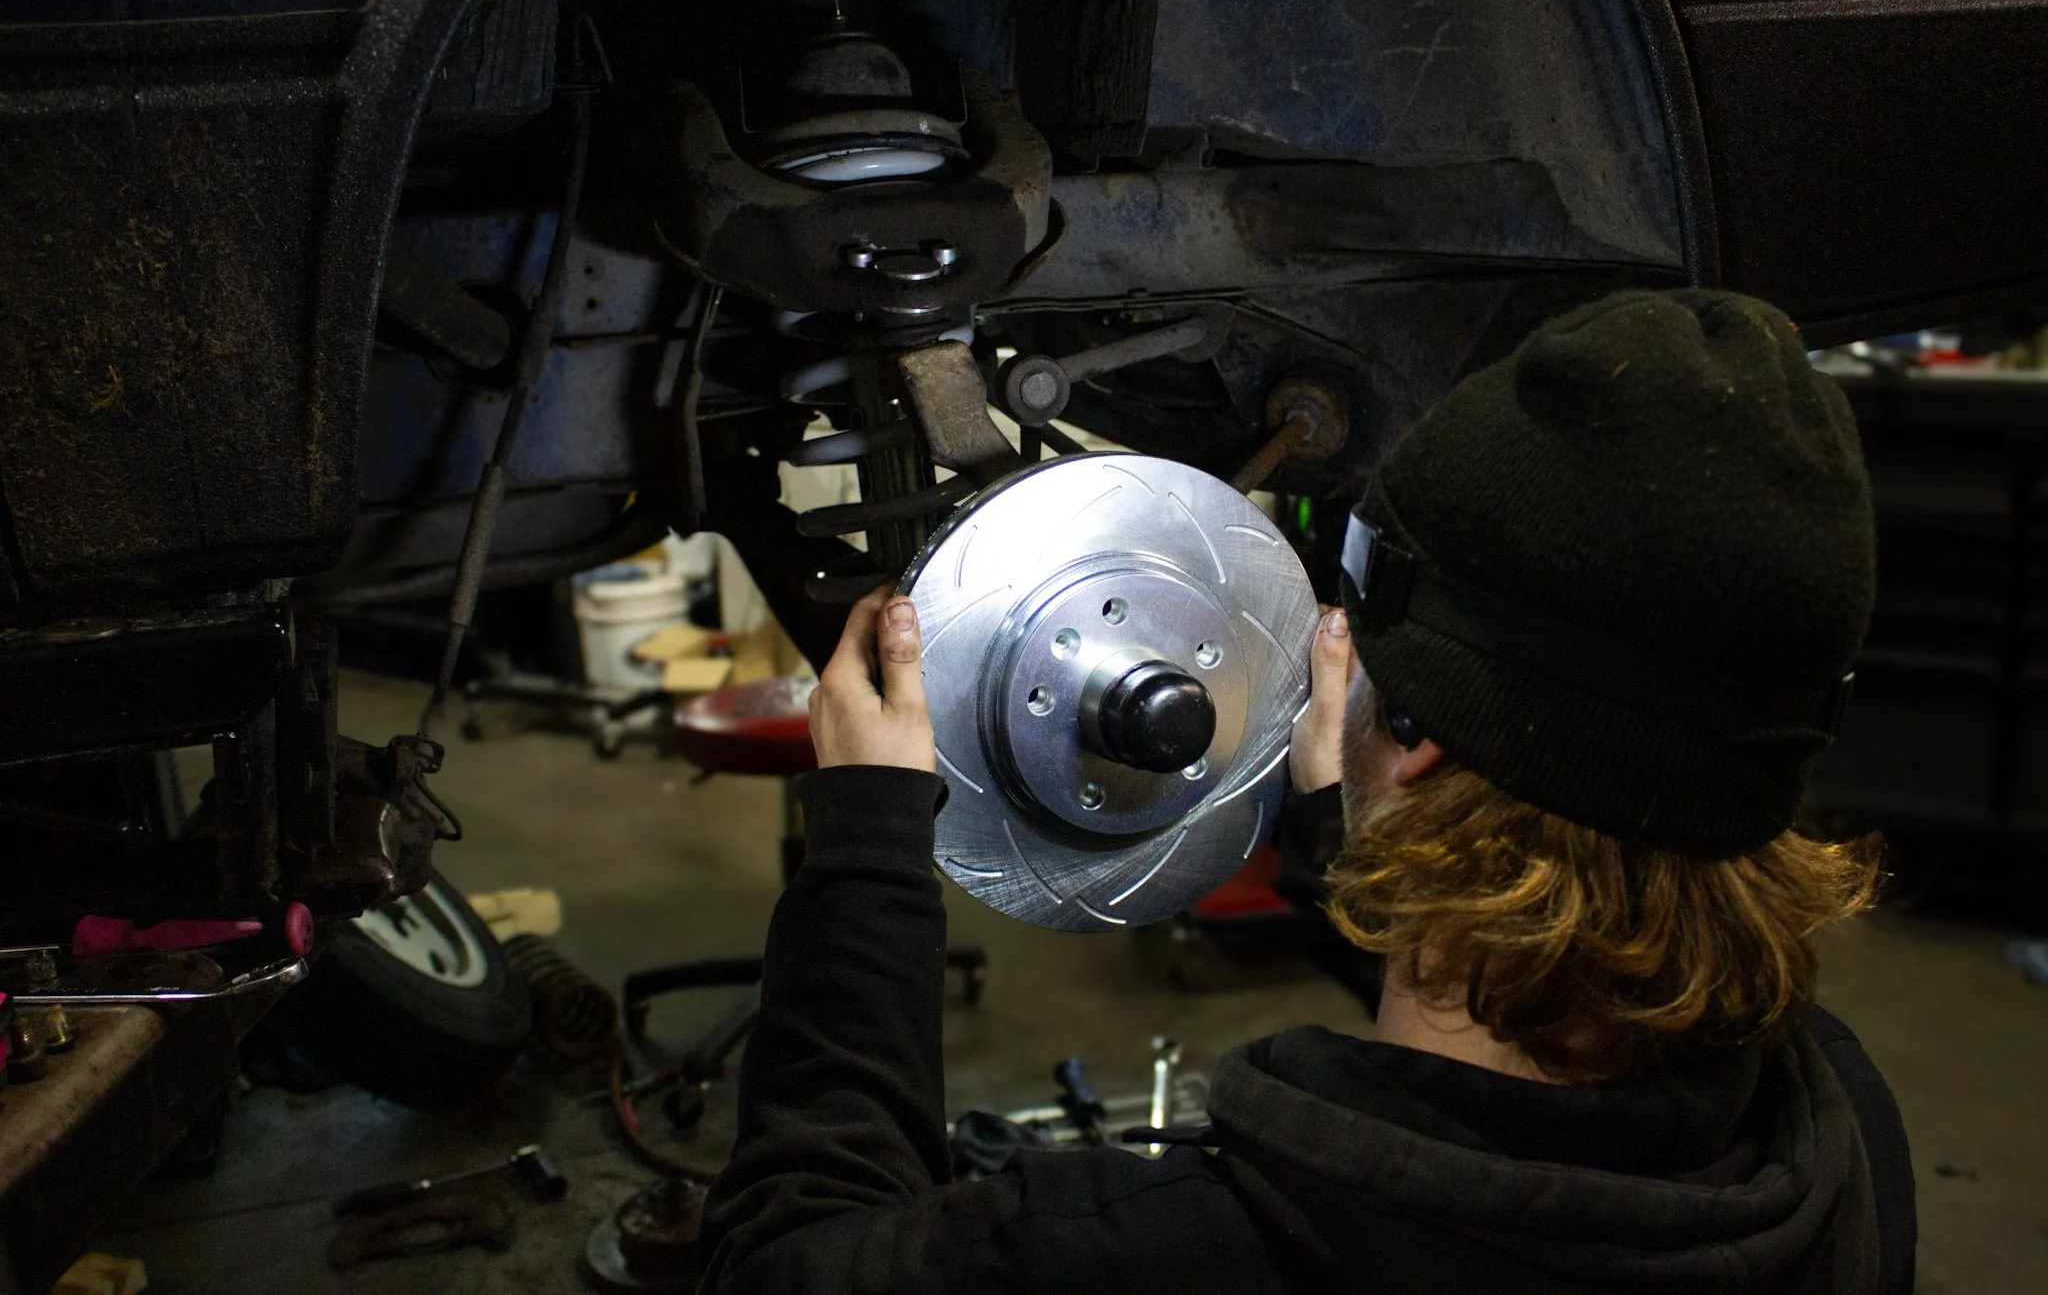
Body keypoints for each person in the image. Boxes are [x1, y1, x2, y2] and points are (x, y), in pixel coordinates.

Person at [695, 290, 1915, 1293]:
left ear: (1424, 735)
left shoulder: (1172, 1250)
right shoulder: (1833, 1124)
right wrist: (1356, 844)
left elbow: (782, 1263)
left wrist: (864, 840)